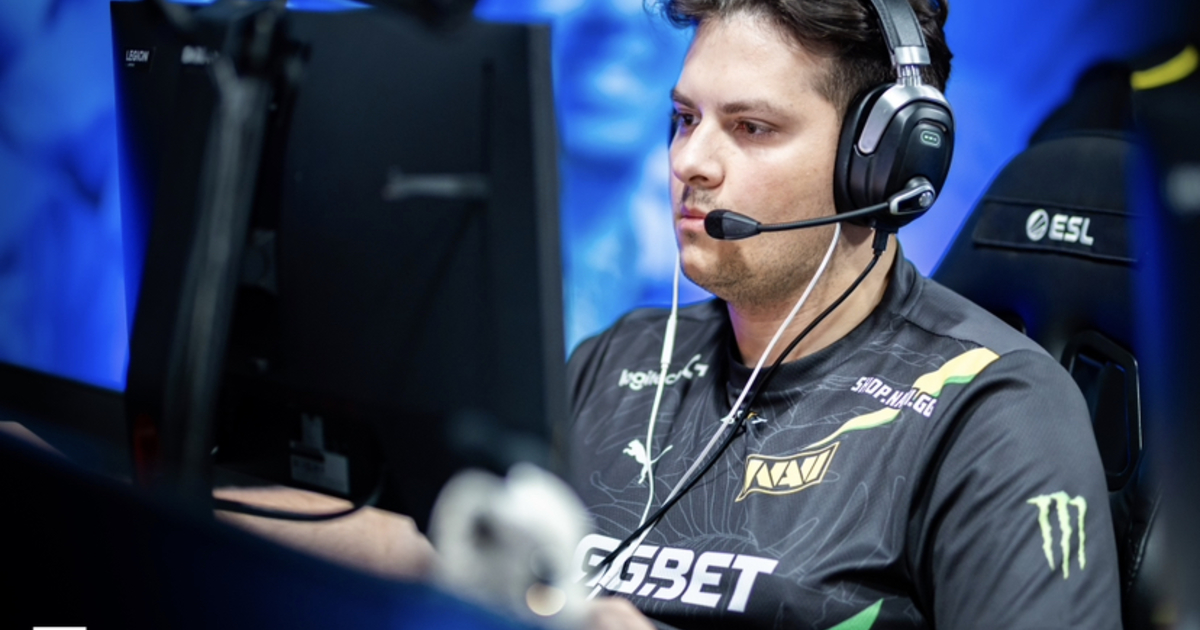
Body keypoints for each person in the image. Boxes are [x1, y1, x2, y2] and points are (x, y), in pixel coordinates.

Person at [564, 0, 1121, 628]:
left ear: (880, 165)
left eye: (751, 127)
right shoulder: (613, 359)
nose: (689, 161)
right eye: (686, 118)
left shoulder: (997, 413)